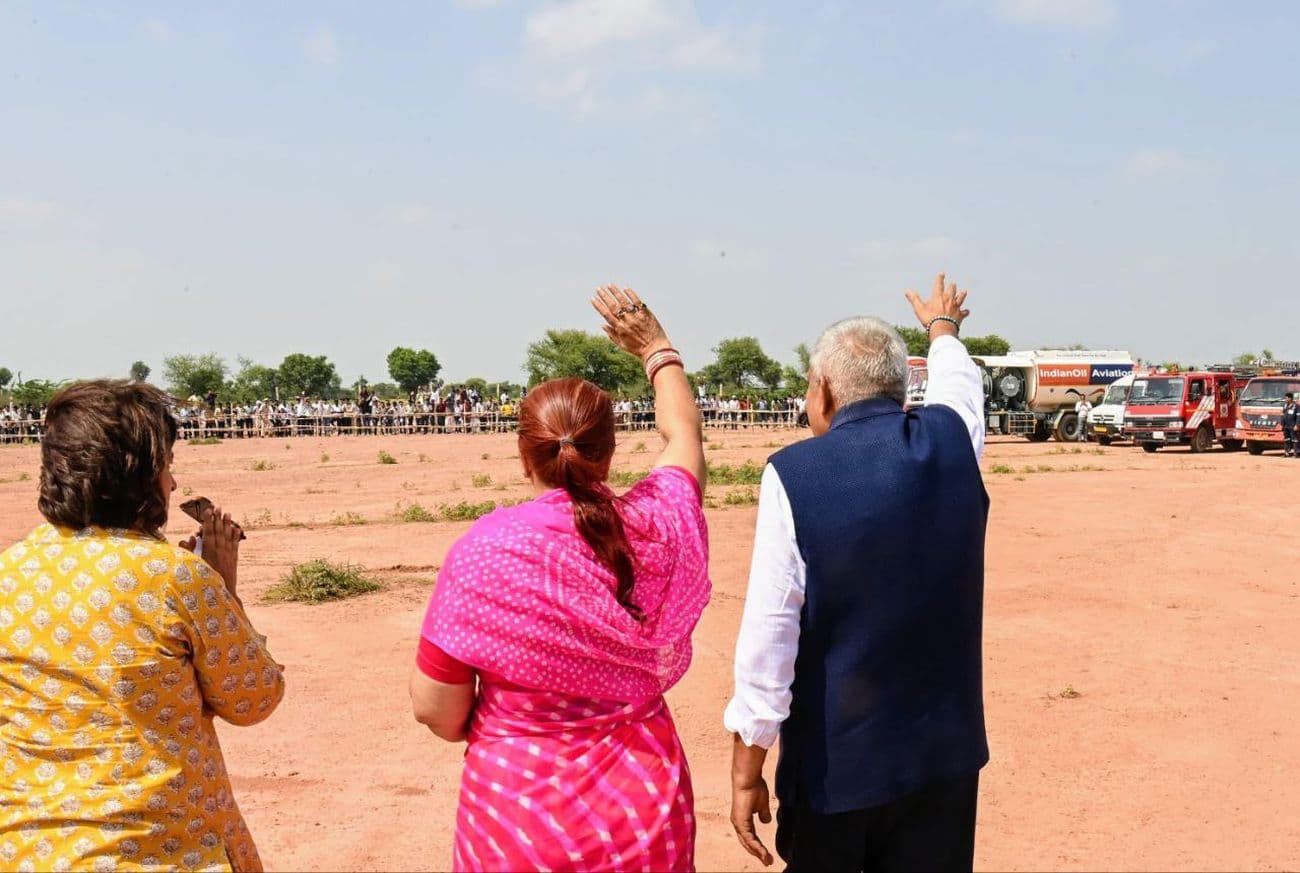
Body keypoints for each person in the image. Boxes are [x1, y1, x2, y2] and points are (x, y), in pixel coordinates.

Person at [409, 285, 711, 872]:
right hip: (642, 806)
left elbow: (436, 710)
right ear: (611, 451)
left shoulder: (485, 552)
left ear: (526, 455)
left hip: (520, 815)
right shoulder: (657, 524)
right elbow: (684, 438)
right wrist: (658, 349)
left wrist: (526, 725)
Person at [726, 274, 989, 872]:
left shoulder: (794, 474)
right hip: (943, 765)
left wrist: (748, 771)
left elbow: (770, 638)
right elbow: (960, 386)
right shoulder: (952, 444)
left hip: (834, 773)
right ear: (902, 392)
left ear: (821, 391)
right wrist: (942, 328)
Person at [0, 380, 284, 871]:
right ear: (139, 473)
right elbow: (252, 699)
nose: (173, 484)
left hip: (27, 851)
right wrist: (223, 588)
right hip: (162, 849)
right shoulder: (176, 577)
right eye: (168, 465)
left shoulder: (9, 573)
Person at [1283, 392, 1298, 457]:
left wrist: (1297, 425)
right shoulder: (1285, 405)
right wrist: (1282, 423)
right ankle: (1287, 453)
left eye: (1286, 398)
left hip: (1293, 425)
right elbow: (1283, 414)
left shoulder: (1296, 406)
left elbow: (1298, 416)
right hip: (1286, 426)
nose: (1285, 399)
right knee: (1286, 439)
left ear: (1290, 398)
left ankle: (1295, 453)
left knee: (1294, 439)